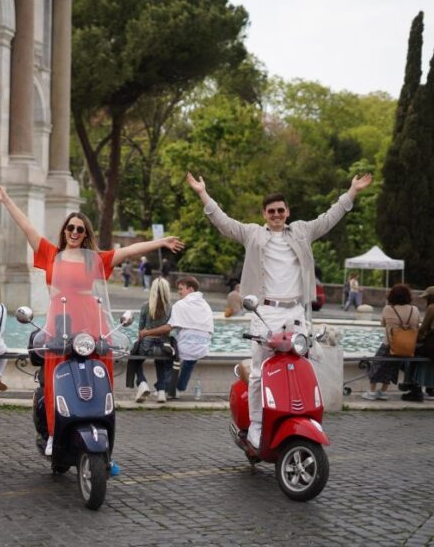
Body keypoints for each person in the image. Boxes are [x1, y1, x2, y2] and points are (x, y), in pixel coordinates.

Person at [0, 182, 184, 455]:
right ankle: (53, 433)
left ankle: (103, 443)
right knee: (56, 376)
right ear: (65, 231)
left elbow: (129, 251)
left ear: (85, 235)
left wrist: (161, 242)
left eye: (80, 229)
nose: (74, 232)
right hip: (59, 321)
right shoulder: (50, 253)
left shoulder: (93, 258)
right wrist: (6, 199)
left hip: (90, 320)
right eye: (70, 228)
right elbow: (27, 226)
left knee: (98, 376)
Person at [186, 170, 372, 448]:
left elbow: (329, 218)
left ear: (287, 212)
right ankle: (256, 426)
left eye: (280, 210)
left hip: (296, 312)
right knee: (259, 371)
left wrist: (352, 191)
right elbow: (224, 223)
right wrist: (203, 193)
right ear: (264, 214)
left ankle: (300, 418)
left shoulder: (301, 231)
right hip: (265, 312)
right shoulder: (252, 234)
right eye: (271, 211)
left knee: (302, 367)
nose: (276, 215)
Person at [363, 284, 419, 401]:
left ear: (392, 296)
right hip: (406, 346)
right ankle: (383, 391)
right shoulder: (414, 309)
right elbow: (416, 325)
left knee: (376, 365)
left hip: (389, 344)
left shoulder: (388, 309)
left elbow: (383, 324)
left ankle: (372, 392)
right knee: (392, 368)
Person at [168, 276, 214, 396]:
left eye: (181, 289)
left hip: (185, 346)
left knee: (167, 350)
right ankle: (179, 389)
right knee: (189, 361)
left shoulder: (180, 305)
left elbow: (171, 325)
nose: (179, 292)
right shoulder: (205, 305)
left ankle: (165, 388)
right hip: (203, 346)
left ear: (191, 289)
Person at [134, 277, 174, 403]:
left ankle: (142, 383)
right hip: (163, 346)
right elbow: (169, 330)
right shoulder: (170, 308)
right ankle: (161, 391)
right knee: (160, 362)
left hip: (146, 345)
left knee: (134, 358)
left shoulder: (146, 306)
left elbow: (141, 330)